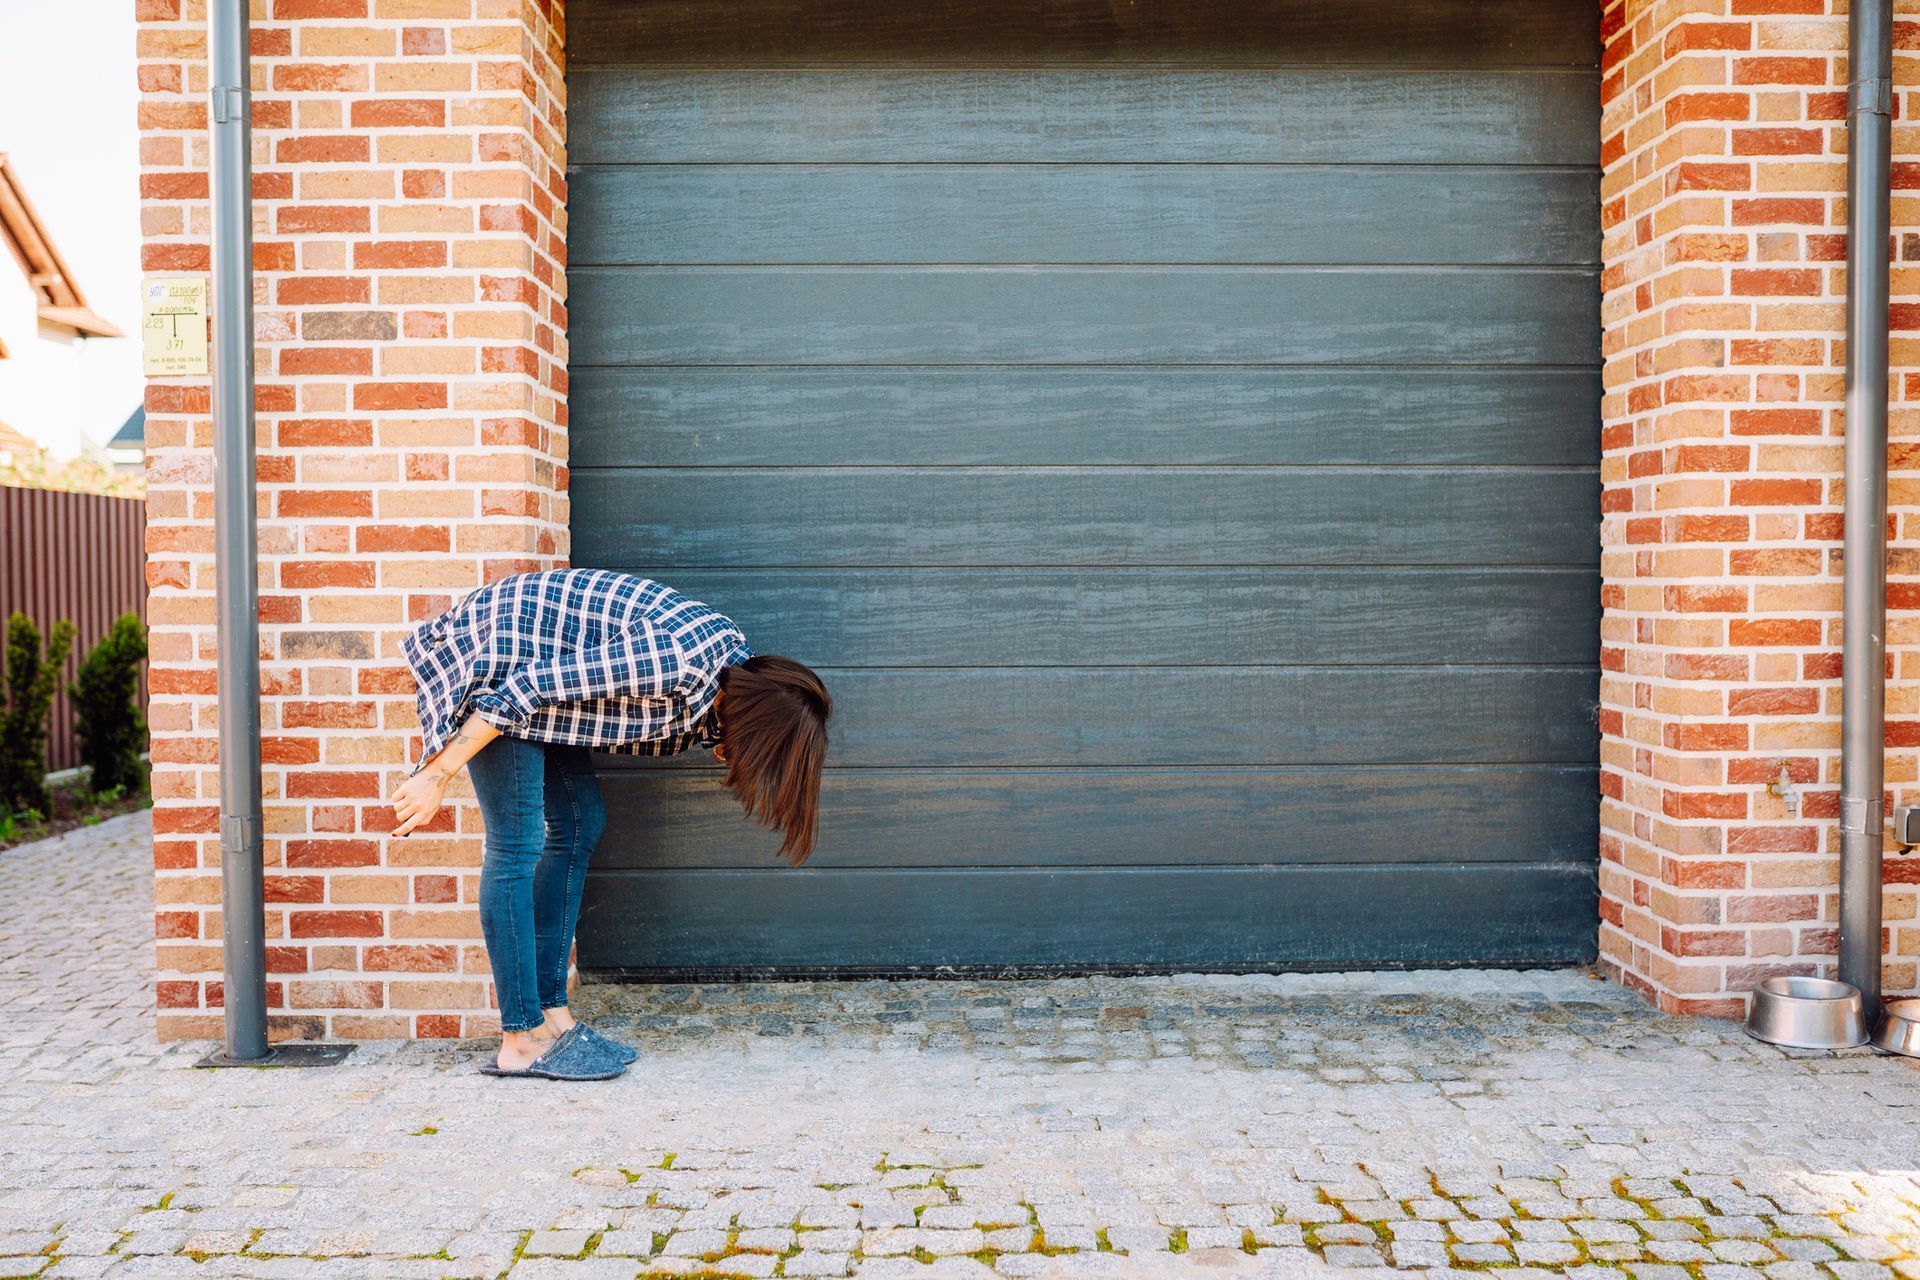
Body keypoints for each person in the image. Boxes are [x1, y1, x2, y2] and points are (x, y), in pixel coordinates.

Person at [386, 568, 831, 1080]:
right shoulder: (676, 663)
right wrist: (437, 773)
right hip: (503, 665)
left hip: (541, 691)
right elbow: (524, 687)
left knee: (581, 821)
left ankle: (552, 1015)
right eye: (763, 753)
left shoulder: (727, 679)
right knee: (516, 844)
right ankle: (520, 1038)